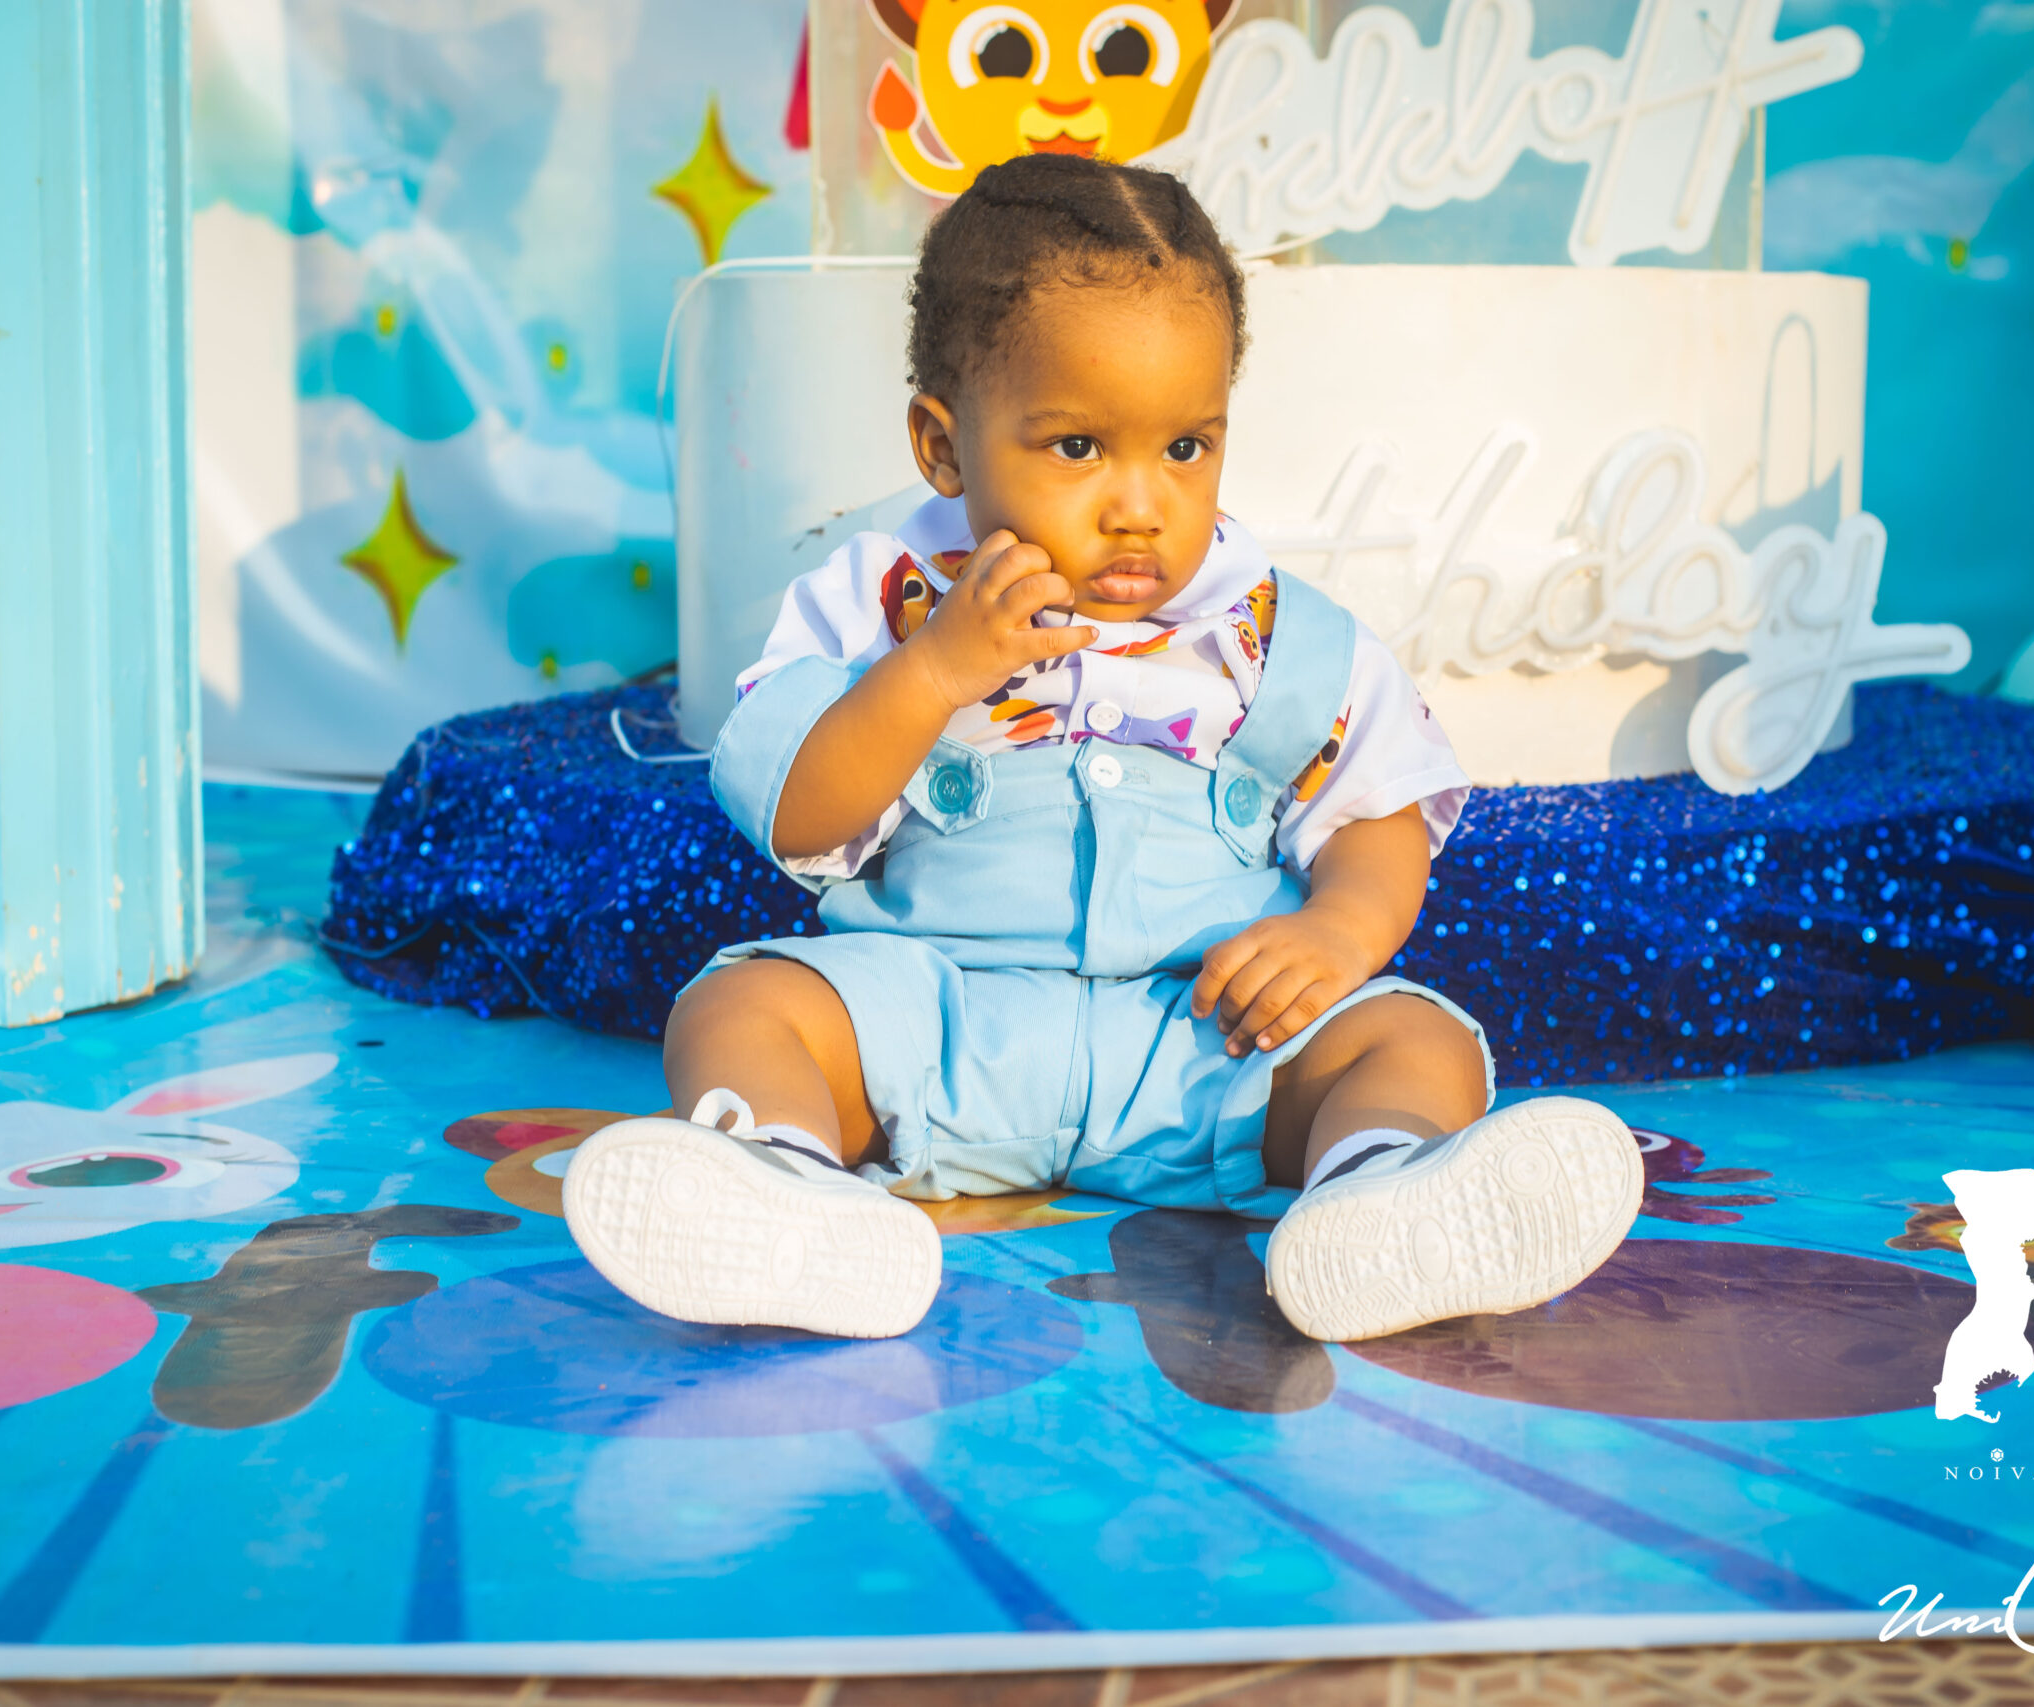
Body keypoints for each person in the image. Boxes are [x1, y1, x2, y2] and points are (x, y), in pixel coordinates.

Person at [564, 153, 1642, 1343]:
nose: (1141, 506)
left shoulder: (1277, 634)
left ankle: (1380, 1195)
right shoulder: (881, 606)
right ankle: (783, 1192)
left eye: (1185, 448)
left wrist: (1338, 930)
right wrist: (932, 673)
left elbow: (1376, 810)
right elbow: (797, 817)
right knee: (739, 1008)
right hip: (940, 1024)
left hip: (1205, 1044)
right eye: (1077, 448)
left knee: (1413, 1038)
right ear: (943, 446)